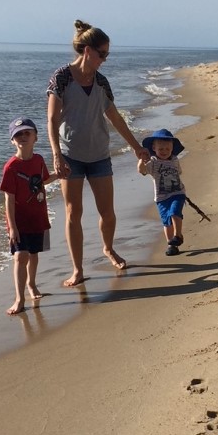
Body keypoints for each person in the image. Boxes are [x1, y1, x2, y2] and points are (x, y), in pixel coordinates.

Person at [47, 20, 148, 288]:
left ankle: (108, 248)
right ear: (87, 50)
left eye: (107, 55)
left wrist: (136, 146)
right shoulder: (62, 77)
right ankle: (77, 269)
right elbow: (52, 120)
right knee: (73, 213)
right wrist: (56, 154)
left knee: (108, 212)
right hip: (71, 156)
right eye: (102, 54)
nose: (104, 59)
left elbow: (115, 118)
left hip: (100, 155)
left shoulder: (102, 82)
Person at [0, 117, 56, 315]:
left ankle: (32, 284)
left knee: (34, 254)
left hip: (37, 216)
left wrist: (61, 174)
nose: (23, 136)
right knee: (20, 256)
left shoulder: (39, 160)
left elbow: (43, 181)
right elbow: (8, 199)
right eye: (18, 134)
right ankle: (19, 298)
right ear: (12, 141)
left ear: (35, 137)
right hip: (19, 220)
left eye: (27, 133)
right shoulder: (11, 167)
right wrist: (12, 227)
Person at [138, 128, 187, 255]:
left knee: (175, 212)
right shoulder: (153, 163)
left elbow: (179, 172)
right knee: (166, 222)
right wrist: (141, 162)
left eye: (167, 149)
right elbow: (142, 171)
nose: (164, 152)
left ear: (172, 148)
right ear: (154, 148)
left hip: (177, 192)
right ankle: (171, 244)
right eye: (161, 149)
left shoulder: (174, 160)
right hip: (161, 197)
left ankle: (177, 235)